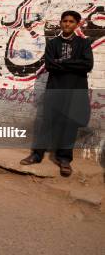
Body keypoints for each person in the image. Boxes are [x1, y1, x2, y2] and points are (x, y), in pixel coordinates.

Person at [20, 10, 93, 177]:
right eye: (65, 21)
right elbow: (50, 65)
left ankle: (64, 159)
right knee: (47, 122)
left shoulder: (84, 44)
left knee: (69, 124)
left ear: (77, 24)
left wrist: (62, 62)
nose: (67, 24)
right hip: (55, 88)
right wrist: (73, 64)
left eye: (71, 22)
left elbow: (87, 65)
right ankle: (36, 154)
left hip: (75, 90)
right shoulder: (52, 44)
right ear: (61, 23)